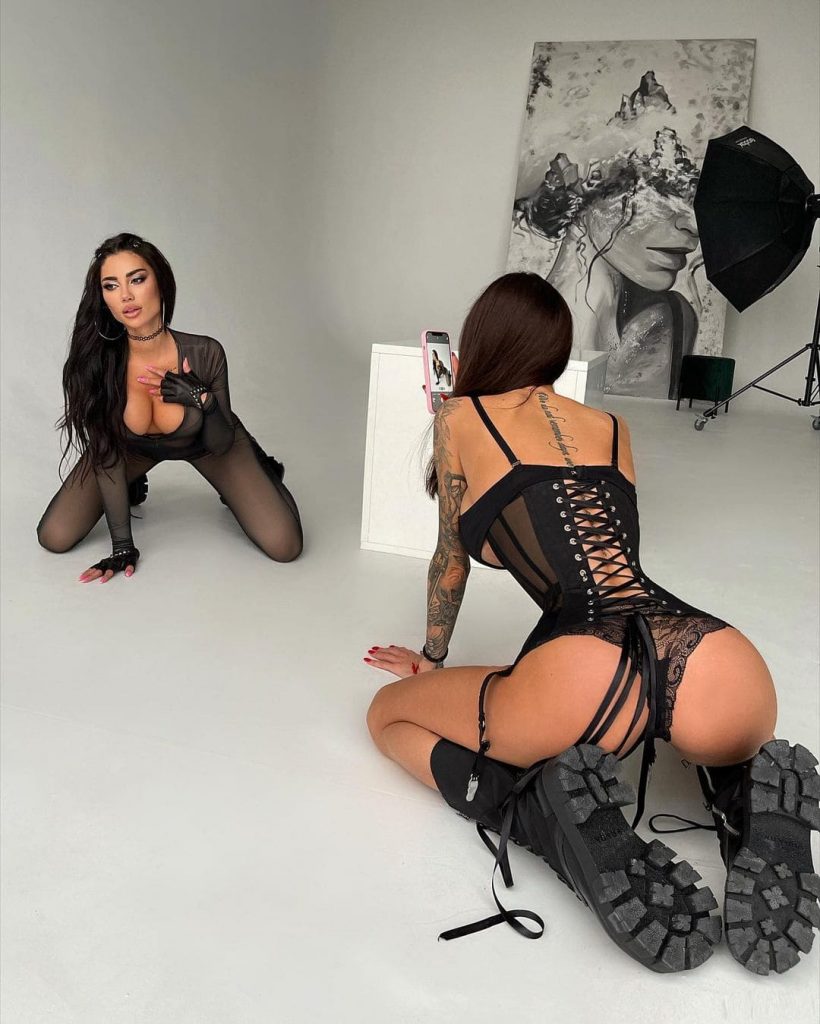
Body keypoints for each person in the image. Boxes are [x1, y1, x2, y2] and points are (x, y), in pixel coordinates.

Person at [365, 272, 819, 975]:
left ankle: (539, 812)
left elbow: (451, 562)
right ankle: (742, 797)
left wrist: (432, 656)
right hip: (718, 660)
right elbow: (616, 556)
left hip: (583, 673)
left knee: (386, 717)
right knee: (720, 737)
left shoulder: (460, 416)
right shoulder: (611, 427)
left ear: (484, 341)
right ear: (556, 348)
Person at [37, 232, 303, 580]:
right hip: (130, 449)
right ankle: (133, 482)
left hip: (208, 441)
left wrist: (203, 400)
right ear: (102, 298)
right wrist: (122, 546)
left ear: (160, 281)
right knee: (54, 536)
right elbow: (106, 455)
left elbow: (220, 443)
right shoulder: (97, 362)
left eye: (137, 279)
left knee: (285, 546)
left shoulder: (205, 353)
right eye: (111, 286)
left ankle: (262, 465)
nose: (126, 296)